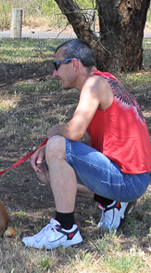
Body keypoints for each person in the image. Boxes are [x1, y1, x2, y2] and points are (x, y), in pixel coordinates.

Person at [23, 39, 151, 249]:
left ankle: (65, 230)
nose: (55, 73)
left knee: (57, 144)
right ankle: (112, 201)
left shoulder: (94, 84)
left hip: (130, 180)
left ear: (74, 64)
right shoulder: (106, 81)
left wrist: (55, 134)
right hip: (134, 178)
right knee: (48, 172)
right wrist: (48, 151)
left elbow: (73, 131)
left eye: (57, 65)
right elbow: (87, 143)